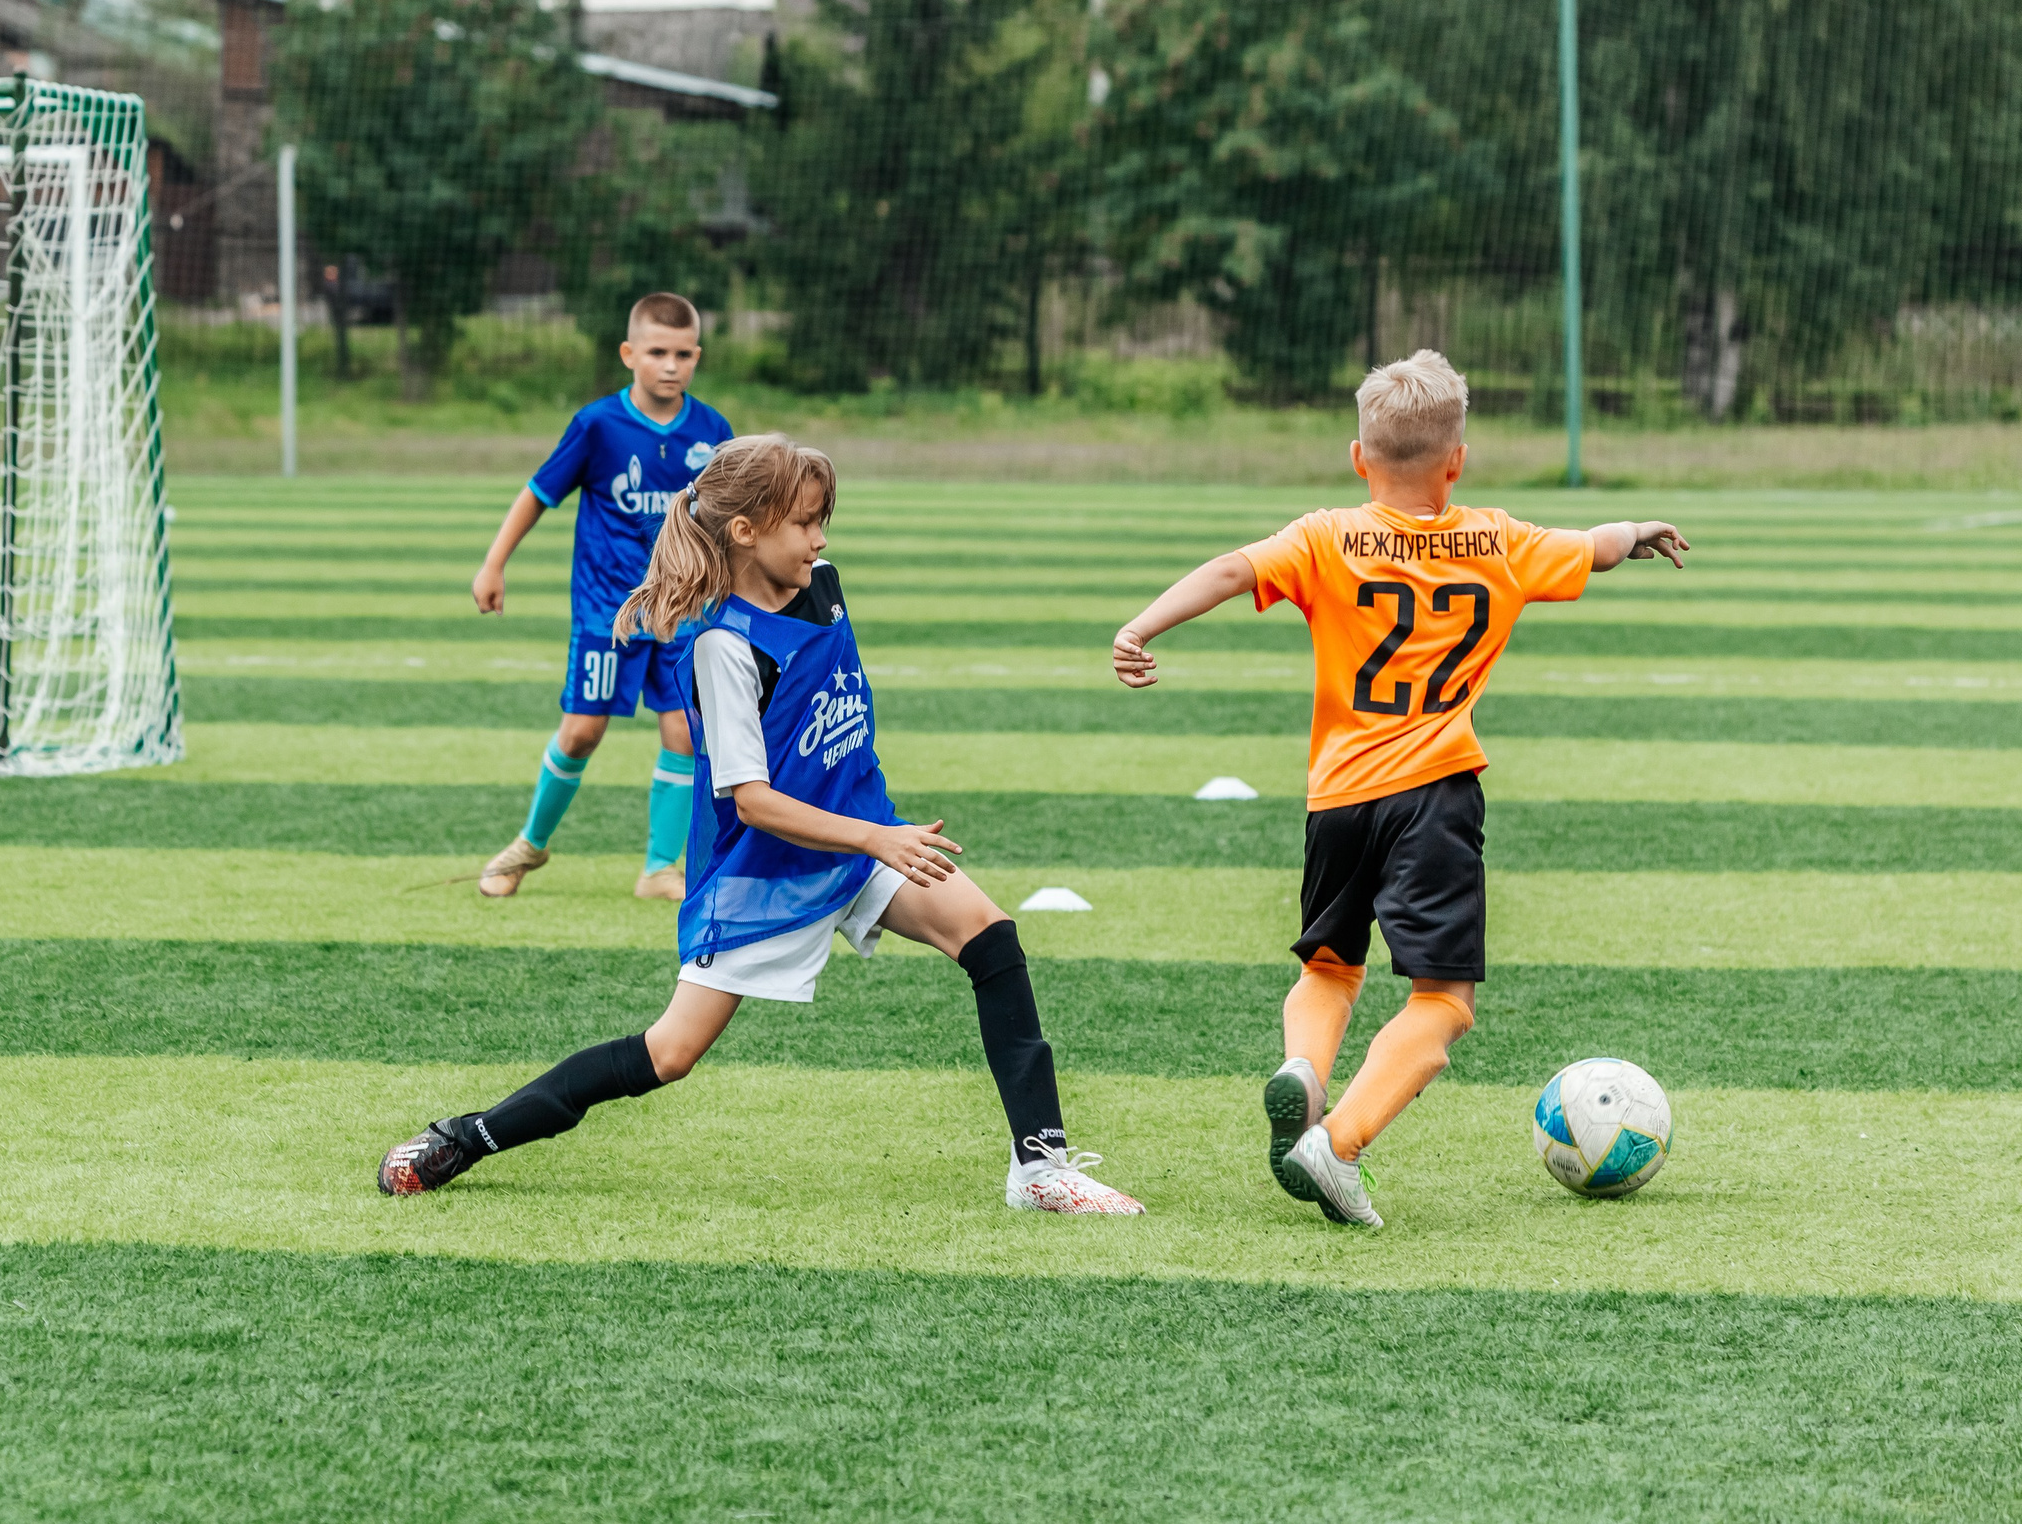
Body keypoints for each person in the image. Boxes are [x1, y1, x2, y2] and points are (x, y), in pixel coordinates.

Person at [383, 434, 1144, 1214]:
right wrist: (876, 837)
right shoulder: (722, 645)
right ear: (745, 531)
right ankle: (469, 1134)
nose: (820, 540)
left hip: (854, 838)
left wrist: (871, 828)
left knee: (990, 939)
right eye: (804, 523)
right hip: (764, 872)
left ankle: (1041, 1170)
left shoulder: (824, 585)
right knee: (669, 1053)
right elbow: (751, 800)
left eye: (823, 521)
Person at [1111, 351, 1687, 1229]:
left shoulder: (1326, 534)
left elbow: (1232, 569)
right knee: (1442, 1002)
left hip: (1338, 797)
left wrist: (1142, 624)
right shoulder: (1497, 539)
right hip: (1437, 794)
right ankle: (1337, 1145)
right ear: (1457, 460)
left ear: (1357, 458)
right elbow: (1597, 550)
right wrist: (1637, 527)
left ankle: (1304, 1069)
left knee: (1329, 967)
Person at [472, 292, 733, 900]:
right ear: (629, 354)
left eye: (684, 354)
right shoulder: (598, 424)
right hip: (605, 610)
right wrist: (494, 563)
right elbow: (538, 492)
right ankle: (529, 845)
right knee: (582, 731)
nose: (671, 366)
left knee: (684, 734)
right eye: (658, 353)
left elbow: (729, 515)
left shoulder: (712, 430)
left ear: (697, 356)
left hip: (681, 611)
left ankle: (660, 869)